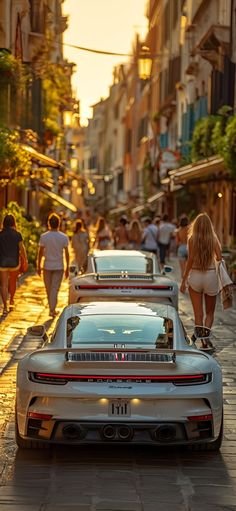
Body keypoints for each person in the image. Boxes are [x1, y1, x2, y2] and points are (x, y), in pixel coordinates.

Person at [180, 213, 222, 347]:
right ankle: (206, 336)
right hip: (210, 275)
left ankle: (202, 340)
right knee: (210, 312)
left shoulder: (191, 239)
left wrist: (184, 280)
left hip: (196, 276)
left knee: (198, 314)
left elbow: (190, 260)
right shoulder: (213, 238)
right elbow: (219, 257)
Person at [37, 213, 69, 317]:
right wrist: (67, 266)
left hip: (47, 266)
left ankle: (52, 309)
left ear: (48, 223)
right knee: (54, 288)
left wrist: (38, 265)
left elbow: (40, 252)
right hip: (59, 266)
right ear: (59, 223)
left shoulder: (44, 236)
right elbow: (67, 253)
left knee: (49, 288)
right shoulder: (64, 237)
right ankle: (52, 309)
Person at [0, 214, 28, 314]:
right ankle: (11, 299)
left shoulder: (0, 234)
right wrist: (25, 260)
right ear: (13, 223)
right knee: (12, 283)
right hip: (14, 263)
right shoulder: (17, 234)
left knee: (3, 285)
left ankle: (5, 307)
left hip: (2, 263)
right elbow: (22, 248)